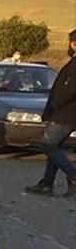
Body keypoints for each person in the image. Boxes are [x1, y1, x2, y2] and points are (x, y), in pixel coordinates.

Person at [24, 29, 76, 197]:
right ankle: (47, 184)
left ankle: (73, 175)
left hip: (64, 114)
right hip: (66, 114)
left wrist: (55, 105)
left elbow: (68, 91)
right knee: (55, 147)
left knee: (47, 145)